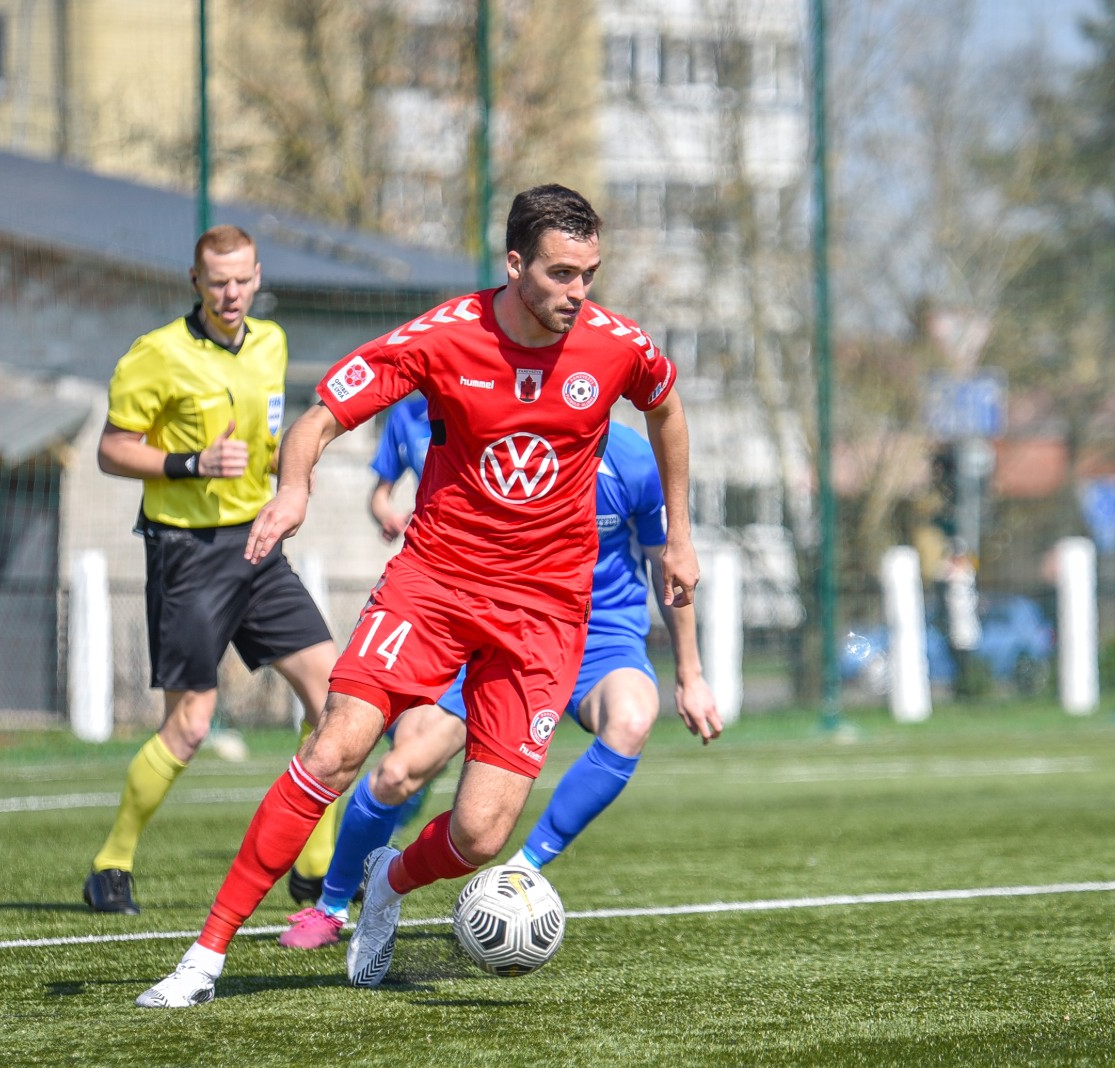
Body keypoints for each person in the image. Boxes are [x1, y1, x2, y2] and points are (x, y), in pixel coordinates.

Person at [136, 183, 697, 1008]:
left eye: (590, 274)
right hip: (434, 585)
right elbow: (320, 415)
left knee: (481, 834)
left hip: (544, 614)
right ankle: (205, 956)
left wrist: (678, 534)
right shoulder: (444, 336)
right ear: (515, 264)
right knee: (336, 749)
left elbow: (667, 409)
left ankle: (389, 883)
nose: (579, 292)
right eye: (561, 274)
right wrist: (293, 489)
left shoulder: (616, 345)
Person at [279, 419, 721, 949]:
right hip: (502, 631)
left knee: (631, 718)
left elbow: (668, 568)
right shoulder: (502, 444)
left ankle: (519, 875)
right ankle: (330, 906)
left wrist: (690, 675)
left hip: (600, 637)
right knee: (397, 772)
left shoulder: (633, 461)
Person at [82, 224, 340, 916]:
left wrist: (291, 476)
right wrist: (190, 463)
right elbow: (111, 450)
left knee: (337, 700)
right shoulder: (156, 354)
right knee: (191, 725)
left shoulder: (272, 342)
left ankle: (315, 870)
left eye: (242, 280)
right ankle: (112, 864)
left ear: (258, 278)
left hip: (257, 545)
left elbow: (270, 441)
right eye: (218, 282)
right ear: (195, 281)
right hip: (187, 552)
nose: (231, 294)